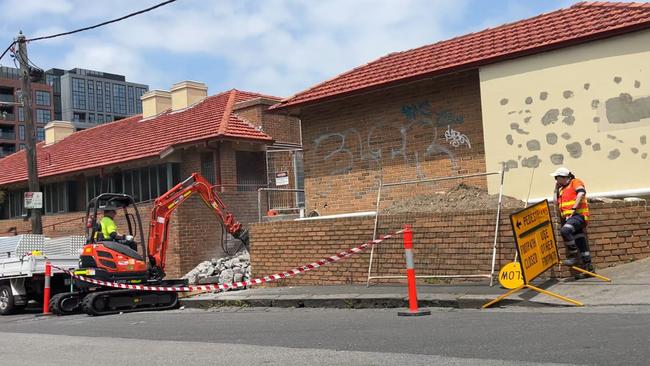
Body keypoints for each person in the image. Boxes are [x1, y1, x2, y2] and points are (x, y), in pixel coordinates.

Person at [551, 167, 594, 278]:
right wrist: (556, 189)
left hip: (578, 216)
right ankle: (589, 269)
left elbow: (581, 193)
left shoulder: (575, 182)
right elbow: (555, 202)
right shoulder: (562, 189)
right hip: (570, 218)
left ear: (564, 177)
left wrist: (574, 209)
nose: (555, 180)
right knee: (580, 241)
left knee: (565, 231)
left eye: (557, 178)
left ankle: (573, 256)